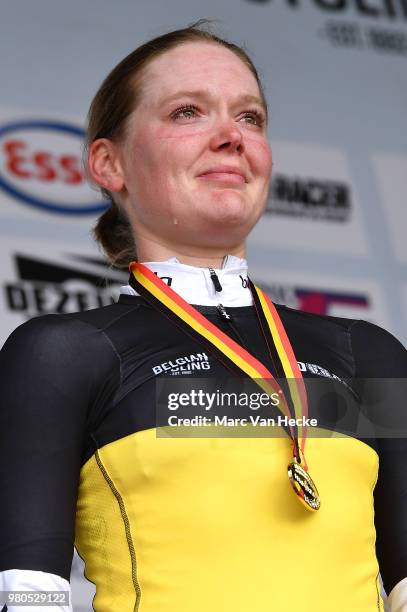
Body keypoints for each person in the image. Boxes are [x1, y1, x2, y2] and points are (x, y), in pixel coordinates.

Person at [1, 20, 407, 612]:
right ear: (109, 164)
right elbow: (28, 598)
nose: (231, 136)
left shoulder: (368, 352)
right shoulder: (63, 353)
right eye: (188, 111)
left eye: (250, 117)